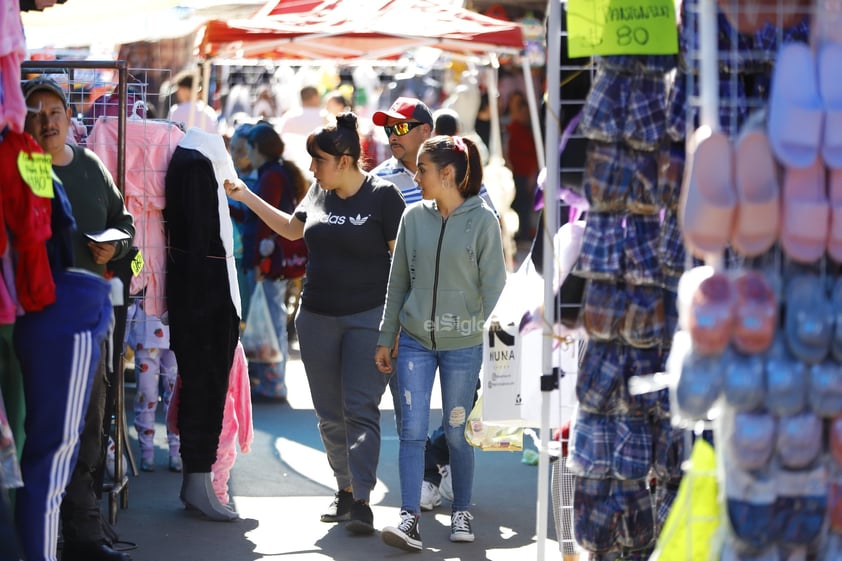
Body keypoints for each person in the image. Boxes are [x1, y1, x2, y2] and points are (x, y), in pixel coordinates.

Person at [224, 112, 406, 535]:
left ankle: (362, 499)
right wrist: (245, 196)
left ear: (344, 160)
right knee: (329, 415)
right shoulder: (318, 195)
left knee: (360, 409)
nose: (311, 168)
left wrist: (393, 326)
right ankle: (344, 490)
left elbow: (402, 267)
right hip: (316, 318)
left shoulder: (383, 197)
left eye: (318, 160)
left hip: (367, 318)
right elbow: (289, 229)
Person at [21, 76, 136, 561]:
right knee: (41, 427)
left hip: (91, 314)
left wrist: (117, 247)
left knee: (90, 421)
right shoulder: (24, 167)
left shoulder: (90, 165)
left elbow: (125, 223)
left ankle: (82, 531)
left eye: (55, 112)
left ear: (71, 119)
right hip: (35, 317)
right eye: (37, 112)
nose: (47, 122)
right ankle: (39, 534)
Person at [375, 135, 506, 551]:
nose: (415, 177)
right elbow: (398, 283)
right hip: (413, 341)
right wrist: (386, 336)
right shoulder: (412, 218)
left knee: (456, 433)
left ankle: (461, 508)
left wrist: (493, 350)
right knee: (410, 433)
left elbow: (496, 289)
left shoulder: (483, 220)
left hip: (463, 345)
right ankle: (409, 517)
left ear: (447, 174)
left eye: (422, 170)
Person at [241, 123, 309, 400]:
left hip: (268, 262)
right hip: (273, 260)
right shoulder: (278, 172)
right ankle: (270, 379)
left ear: (257, 149)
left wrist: (259, 260)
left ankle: (273, 382)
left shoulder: (271, 176)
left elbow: (264, 221)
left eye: (248, 148)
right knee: (272, 319)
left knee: (271, 320)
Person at [227, 123, 259, 319]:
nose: (236, 155)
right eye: (233, 149)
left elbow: (250, 215)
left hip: (247, 253)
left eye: (241, 150)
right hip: (230, 251)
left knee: (245, 303)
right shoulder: (228, 174)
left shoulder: (257, 180)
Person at [504, 90, 539, 242]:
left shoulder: (528, 131)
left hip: (525, 175)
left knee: (524, 207)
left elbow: (534, 156)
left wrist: (532, 175)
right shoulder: (511, 128)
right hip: (514, 174)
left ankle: (524, 234)